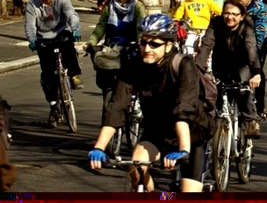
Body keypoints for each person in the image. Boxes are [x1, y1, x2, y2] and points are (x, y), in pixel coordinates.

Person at [88, 14, 216, 192]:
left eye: (154, 44)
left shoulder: (184, 65)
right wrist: (99, 147)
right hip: (157, 130)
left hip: (191, 134)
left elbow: (184, 107)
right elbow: (118, 105)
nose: (146, 49)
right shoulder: (135, 65)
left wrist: (183, 149)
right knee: (137, 167)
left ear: (169, 45)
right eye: (143, 42)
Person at [197, 0, 263, 138]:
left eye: (234, 14)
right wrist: (197, 69)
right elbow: (206, 45)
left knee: (242, 91)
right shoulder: (216, 23)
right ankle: (218, 131)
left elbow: (251, 48)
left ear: (242, 16)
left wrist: (256, 72)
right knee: (214, 95)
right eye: (226, 13)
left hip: (242, 65)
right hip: (221, 64)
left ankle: (251, 120)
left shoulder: (247, 25)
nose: (229, 17)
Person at [25, 0, 83, 127]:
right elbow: (30, 25)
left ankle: (74, 75)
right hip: (44, 39)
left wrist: (75, 29)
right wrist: (32, 40)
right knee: (48, 75)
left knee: (69, 47)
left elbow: (72, 14)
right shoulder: (33, 5)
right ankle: (54, 108)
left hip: (62, 34)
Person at [86, 0, 147, 115]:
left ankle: (136, 104)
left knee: (133, 79)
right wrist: (92, 42)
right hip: (112, 48)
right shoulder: (109, 6)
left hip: (130, 48)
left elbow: (140, 28)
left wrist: (140, 43)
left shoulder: (138, 7)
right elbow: (101, 27)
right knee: (106, 81)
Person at [236, 0, 267, 121]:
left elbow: (260, 32)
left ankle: (260, 106)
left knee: (257, 70)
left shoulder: (259, 8)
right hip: (240, 41)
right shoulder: (234, 7)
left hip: (258, 40)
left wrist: (254, 53)